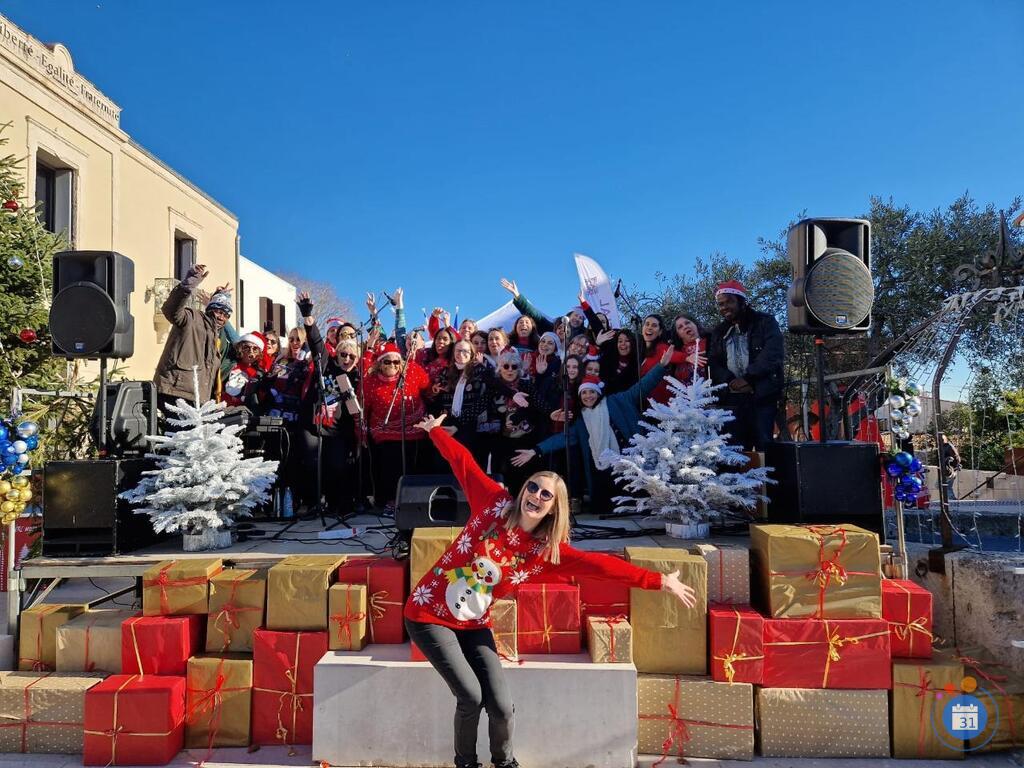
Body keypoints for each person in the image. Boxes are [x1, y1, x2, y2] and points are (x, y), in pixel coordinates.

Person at [406, 414, 697, 768]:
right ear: (523, 488)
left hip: (472, 623)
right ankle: (465, 763)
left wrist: (659, 580)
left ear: (553, 506)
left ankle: (504, 762)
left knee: (499, 704)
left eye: (546, 494)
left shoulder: (546, 552)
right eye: (533, 487)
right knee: (470, 695)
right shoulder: (494, 503)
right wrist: (435, 432)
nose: (536, 496)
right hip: (428, 614)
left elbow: (602, 567)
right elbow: (463, 464)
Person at [514, 346, 674, 511]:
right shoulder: (582, 419)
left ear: (598, 392)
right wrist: (536, 450)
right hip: (603, 469)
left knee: (636, 505)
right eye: (584, 393)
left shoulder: (617, 401)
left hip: (630, 462)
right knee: (601, 507)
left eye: (591, 392)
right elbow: (565, 437)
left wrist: (661, 366)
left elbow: (643, 386)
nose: (588, 396)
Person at [708, 280, 784, 450]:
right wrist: (729, 380)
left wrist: (749, 378)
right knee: (735, 448)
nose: (724, 307)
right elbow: (713, 361)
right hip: (732, 398)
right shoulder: (719, 332)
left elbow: (773, 353)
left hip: (762, 395)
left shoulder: (765, 322)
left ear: (741, 302)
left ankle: (768, 477)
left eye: (729, 302)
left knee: (764, 444)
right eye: (721, 304)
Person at [153, 263, 236, 417]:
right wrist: (189, 283)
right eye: (218, 311)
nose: (221, 317)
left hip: (197, 400)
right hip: (175, 391)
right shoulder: (191, 318)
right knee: (179, 437)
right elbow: (171, 309)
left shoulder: (215, 338)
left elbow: (237, 343)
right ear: (210, 309)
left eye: (226, 315)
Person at [362, 337, 432, 508]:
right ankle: (391, 501)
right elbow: (363, 408)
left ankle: (414, 501)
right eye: (387, 362)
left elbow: (427, 387)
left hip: (414, 426)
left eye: (396, 361)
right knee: (390, 463)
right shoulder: (370, 382)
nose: (393, 365)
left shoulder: (413, 371)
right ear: (379, 364)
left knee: (413, 463)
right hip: (385, 430)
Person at [222, 333, 266, 408]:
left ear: (259, 353)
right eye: (246, 347)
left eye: (255, 349)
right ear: (240, 349)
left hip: (245, 412)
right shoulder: (229, 365)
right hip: (222, 410)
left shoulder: (259, 373)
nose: (251, 351)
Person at [939, 432, 962, 500]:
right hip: (946, 469)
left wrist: (953, 464)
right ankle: (950, 499)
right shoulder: (942, 447)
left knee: (946, 486)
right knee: (941, 485)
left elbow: (957, 457)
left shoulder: (948, 446)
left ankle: (952, 499)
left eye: (941, 440)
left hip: (951, 470)